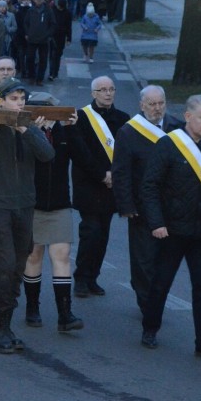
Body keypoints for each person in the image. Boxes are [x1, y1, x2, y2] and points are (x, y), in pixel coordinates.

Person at [0, 78, 54, 354]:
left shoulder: (29, 127)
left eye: (22, 98)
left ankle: (7, 324)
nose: (19, 103)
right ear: (1, 101)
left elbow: (47, 154)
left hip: (25, 206)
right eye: (14, 99)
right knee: (4, 267)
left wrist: (28, 130)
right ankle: (1, 328)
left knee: (18, 267)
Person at [140, 94, 201, 360]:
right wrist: (156, 223)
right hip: (171, 230)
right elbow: (150, 186)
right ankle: (150, 328)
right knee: (161, 282)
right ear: (188, 117)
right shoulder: (168, 145)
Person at [111, 85, 184, 313]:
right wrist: (126, 205)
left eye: (161, 103)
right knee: (144, 259)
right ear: (142, 105)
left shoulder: (177, 128)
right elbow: (121, 172)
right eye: (152, 104)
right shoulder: (129, 132)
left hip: (171, 206)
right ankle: (147, 305)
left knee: (164, 260)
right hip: (141, 207)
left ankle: (154, 296)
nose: (157, 108)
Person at [23, 97, 85, 332]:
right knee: (33, 256)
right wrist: (34, 133)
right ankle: (32, 307)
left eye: (52, 111)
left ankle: (65, 314)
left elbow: (82, 159)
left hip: (59, 203)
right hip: (33, 204)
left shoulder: (63, 132)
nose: (47, 116)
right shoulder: (26, 131)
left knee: (62, 254)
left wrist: (73, 130)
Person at [72, 76, 130, 298]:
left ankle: (93, 277)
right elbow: (80, 152)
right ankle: (81, 278)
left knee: (103, 234)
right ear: (93, 93)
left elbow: (125, 153)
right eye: (103, 90)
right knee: (91, 232)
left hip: (111, 186)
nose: (108, 93)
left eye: (111, 89)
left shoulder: (123, 118)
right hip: (89, 184)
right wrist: (101, 174)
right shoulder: (82, 117)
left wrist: (115, 176)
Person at [22, 0, 56, 84]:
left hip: (44, 40)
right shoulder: (31, 10)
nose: (38, 0)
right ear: (34, 0)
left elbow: (53, 24)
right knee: (30, 58)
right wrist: (27, 33)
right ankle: (32, 76)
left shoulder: (48, 11)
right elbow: (26, 23)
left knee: (43, 59)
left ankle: (40, 78)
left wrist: (48, 34)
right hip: (32, 39)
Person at [48, 0, 72, 81]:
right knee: (52, 55)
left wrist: (69, 38)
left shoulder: (67, 13)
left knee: (57, 55)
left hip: (61, 37)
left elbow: (69, 26)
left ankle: (55, 72)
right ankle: (51, 73)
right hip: (52, 36)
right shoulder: (53, 11)